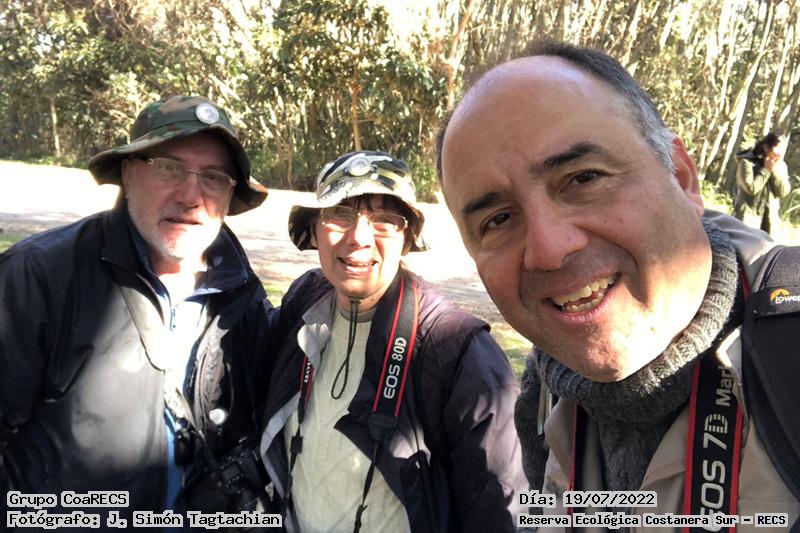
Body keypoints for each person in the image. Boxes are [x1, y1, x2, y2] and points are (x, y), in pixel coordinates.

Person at [436, 41, 799, 529]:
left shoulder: (788, 352)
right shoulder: (544, 392)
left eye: (583, 178)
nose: (548, 249)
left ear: (682, 177)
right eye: (498, 219)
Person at [0, 95, 272, 523]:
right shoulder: (39, 277)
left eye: (214, 177)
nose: (191, 196)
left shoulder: (242, 294)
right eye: (169, 168)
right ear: (128, 173)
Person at [259, 150, 526, 532]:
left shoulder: (456, 352)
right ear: (315, 230)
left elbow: (501, 511)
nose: (358, 238)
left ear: (407, 239)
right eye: (340, 215)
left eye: (384, 221)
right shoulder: (304, 302)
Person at [733, 130, 792, 234]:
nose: (780, 153)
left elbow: (783, 192)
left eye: (782, 149)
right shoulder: (747, 162)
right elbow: (751, 188)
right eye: (777, 148)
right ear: (766, 148)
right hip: (747, 218)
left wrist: (773, 170)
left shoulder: (781, 166)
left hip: (770, 220)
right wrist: (766, 170)